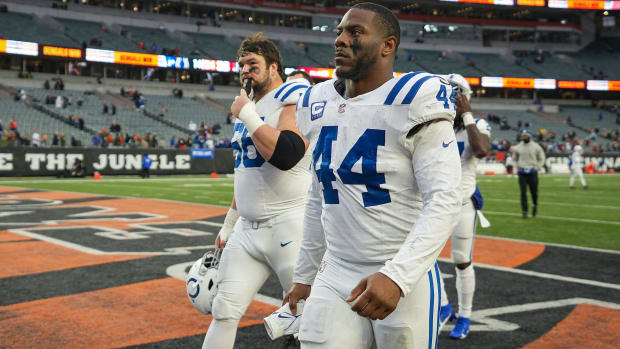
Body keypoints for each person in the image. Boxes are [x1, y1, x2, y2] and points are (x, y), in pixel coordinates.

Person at [284, 3, 461, 348]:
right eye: (339, 31)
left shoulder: (414, 99)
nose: (340, 40)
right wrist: (305, 274)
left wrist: (397, 276)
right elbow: (319, 198)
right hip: (334, 269)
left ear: (388, 45)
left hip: (400, 270)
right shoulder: (316, 102)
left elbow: (445, 199)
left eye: (355, 32)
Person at [202, 33, 312, 349]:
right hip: (247, 231)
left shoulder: (294, 93)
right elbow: (245, 175)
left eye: (253, 65)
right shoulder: (249, 107)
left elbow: (289, 154)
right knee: (223, 310)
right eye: (242, 66)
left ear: (274, 66)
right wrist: (229, 222)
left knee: (307, 317)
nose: (246, 71)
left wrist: (248, 115)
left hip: (288, 225)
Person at [436, 74, 491, 340]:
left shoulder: (477, 124)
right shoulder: (437, 124)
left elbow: (481, 150)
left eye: (456, 96)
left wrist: (467, 115)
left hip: (462, 203)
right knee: (422, 259)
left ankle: (465, 315)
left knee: (461, 261)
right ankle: (444, 306)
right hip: (434, 204)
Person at [511, 130, 546, 218]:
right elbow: (514, 158)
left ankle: (534, 205)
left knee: (534, 192)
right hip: (522, 172)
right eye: (523, 136)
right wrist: (516, 166)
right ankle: (524, 211)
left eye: (525, 136)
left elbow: (542, 158)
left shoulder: (536, 146)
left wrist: (537, 167)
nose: (524, 137)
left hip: (532, 172)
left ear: (529, 136)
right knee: (523, 192)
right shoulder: (518, 147)